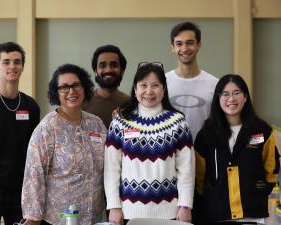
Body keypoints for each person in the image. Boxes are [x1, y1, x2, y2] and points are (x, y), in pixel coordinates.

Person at [104, 62, 195, 225]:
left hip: (171, 212)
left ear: (164, 89)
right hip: (129, 211)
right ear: (135, 88)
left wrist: (185, 205)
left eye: (155, 85)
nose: (149, 91)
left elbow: (186, 169)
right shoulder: (120, 122)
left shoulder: (178, 122)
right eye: (143, 85)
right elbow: (112, 169)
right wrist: (113, 206)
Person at [21, 64, 107, 225]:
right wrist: (33, 218)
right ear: (56, 92)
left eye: (76, 85)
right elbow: (34, 176)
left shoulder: (96, 124)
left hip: (94, 217)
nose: (71, 91)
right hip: (58, 219)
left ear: (85, 87)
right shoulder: (47, 129)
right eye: (64, 87)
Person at [194, 74, 280, 225]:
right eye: (225, 94)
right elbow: (199, 175)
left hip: (253, 214)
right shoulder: (207, 134)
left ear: (245, 97)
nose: (231, 99)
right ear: (218, 98)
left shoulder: (261, 130)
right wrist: (213, 193)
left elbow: (271, 168)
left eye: (236, 93)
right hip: (218, 214)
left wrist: (259, 190)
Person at [0, 42, 40, 225]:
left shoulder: (31, 106)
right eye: (6, 62)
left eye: (17, 61)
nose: (12, 66)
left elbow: (35, 150)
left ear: (22, 66)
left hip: (20, 187)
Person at [166, 21, 218, 141]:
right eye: (179, 44)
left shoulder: (214, 84)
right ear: (172, 47)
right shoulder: (162, 83)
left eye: (190, 43)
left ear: (198, 45)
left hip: (204, 155)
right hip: (170, 154)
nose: (184, 48)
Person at [83, 44, 129, 128]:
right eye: (102, 65)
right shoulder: (82, 102)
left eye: (114, 65)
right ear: (96, 71)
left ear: (122, 70)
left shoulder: (130, 104)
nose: (108, 70)